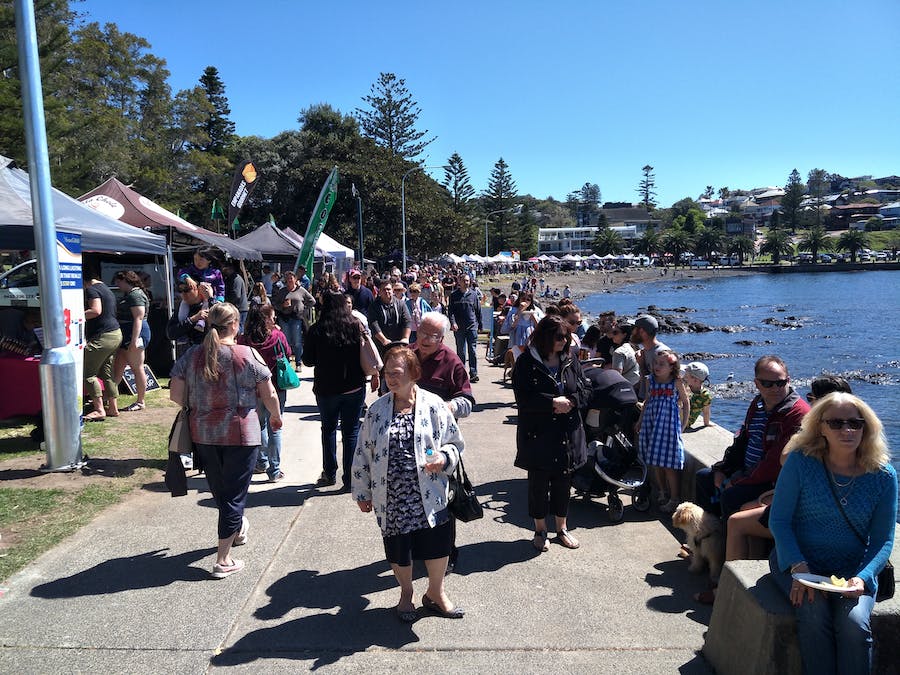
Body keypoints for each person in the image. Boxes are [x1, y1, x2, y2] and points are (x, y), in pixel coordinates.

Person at [769, 393, 897, 675]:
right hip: (798, 561)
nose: (847, 430)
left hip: (854, 568)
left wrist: (863, 578)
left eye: (855, 422)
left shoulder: (883, 476)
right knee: (813, 613)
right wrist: (798, 568)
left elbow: (883, 539)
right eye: (836, 423)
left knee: (853, 623)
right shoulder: (801, 463)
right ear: (821, 427)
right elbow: (779, 521)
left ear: (867, 427)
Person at [352, 346, 466, 622]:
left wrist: (443, 456)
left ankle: (436, 593)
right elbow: (362, 451)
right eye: (386, 372)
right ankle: (406, 594)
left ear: (414, 373)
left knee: (438, 547)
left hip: (431, 491)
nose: (390, 378)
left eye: (396, 372)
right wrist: (362, 491)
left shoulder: (434, 404)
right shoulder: (377, 410)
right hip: (391, 496)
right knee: (399, 548)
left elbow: (456, 442)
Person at [169, 303, 283, 579]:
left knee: (221, 490)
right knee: (234, 494)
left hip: (204, 433)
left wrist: (201, 402)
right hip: (241, 433)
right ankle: (223, 559)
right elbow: (269, 393)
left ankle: (236, 527)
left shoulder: (192, 355)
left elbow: (175, 394)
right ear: (234, 325)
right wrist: (276, 416)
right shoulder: (247, 354)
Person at [694, 355, 810, 520]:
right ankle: (708, 536)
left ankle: (725, 543)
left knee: (731, 497)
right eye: (767, 384)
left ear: (788, 380)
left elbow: (774, 464)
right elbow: (742, 441)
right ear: (756, 384)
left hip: (773, 481)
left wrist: (738, 481)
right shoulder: (758, 404)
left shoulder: (797, 414)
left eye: (780, 383)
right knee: (704, 478)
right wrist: (722, 469)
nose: (775, 388)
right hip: (748, 471)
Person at [512, 315, 588, 552]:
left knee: (563, 482)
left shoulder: (570, 359)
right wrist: (552, 403)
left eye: (566, 337)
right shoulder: (526, 362)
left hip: (567, 432)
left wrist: (571, 402)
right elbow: (523, 399)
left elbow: (586, 390)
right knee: (538, 483)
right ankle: (540, 529)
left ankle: (562, 528)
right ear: (545, 337)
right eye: (558, 337)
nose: (563, 341)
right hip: (539, 434)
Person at [412, 312, 475, 574]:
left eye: (432, 336)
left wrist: (446, 406)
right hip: (410, 441)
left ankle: (447, 552)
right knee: (415, 496)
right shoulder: (407, 355)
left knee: (443, 500)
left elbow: (468, 403)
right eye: (422, 333)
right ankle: (419, 548)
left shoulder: (451, 361)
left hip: (440, 444)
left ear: (442, 338)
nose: (425, 339)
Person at [302, 291, 368, 491]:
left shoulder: (316, 330)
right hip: (354, 387)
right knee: (351, 432)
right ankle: (349, 478)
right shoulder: (355, 327)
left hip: (326, 389)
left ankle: (329, 473)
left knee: (328, 430)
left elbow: (308, 360)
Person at [238, 304, 291, 482]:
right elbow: (288, 353)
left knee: (259, 425)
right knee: (275, 427)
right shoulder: (277, 336)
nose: (274, 319)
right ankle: (274, 470)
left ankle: (261, 462)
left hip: (252, 389)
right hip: (275, 386)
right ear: (265, 319)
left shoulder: (244, 340)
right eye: (272, 317)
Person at [637, 349, 690, 513]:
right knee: (655, 461)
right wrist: (640, 421)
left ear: (671, 367)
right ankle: (662, 491)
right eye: (655, 363)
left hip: (667, 426)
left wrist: (683, 425)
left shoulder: (676, 382)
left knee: (669, 464)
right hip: (652, 422)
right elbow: (647, 400)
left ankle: (674, 498)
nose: (656, 366)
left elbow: (686, 403)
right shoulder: (650, 380)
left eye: (661, 364)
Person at [82, 269, 122, 421]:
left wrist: (77, 314)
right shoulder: (105, 288)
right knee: (107, 374)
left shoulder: (92, 289)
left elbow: (96, 310)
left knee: (88, 373)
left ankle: (99, 409)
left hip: (104, 336)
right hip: (115, 334)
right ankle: (113, 408)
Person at [111, 270, 151, 412]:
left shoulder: (135, 295)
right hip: (126, 334)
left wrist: (134, 340)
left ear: (125, 280)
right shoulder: (130, 294)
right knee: (118, 367)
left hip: (134, 334)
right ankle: (110, 397)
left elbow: (138, 318)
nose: (117, 285)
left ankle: (140, 401)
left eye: (118, 282)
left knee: (137, 367)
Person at [272, 270, 316, 361]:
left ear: (295, 279)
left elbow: (312, 301)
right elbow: (275, 304)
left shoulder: (301, 290)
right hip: (285, 318)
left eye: (291, 278)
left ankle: (298, 361)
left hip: (297, 318)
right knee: (286, 341)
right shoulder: (282, 291)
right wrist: (282, 306)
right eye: (287, 279)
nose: (289, 280)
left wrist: (304, 307)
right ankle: (286, 361)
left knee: (297, 341)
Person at [448, 274, 482, 383]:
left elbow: (478, 310)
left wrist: (480, 325)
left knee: (472, 350)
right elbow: (451, 312)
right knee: (461, 351)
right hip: (459, 328)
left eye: (468, 280)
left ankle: (473, 373)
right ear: (459, 281)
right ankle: (461, 373)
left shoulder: (474, 295)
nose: (466, 282)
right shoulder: (454, 295)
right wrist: (453, 323)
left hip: (472, 326)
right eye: (464, 280)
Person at [167, 276, 212, 359]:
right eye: (180, 291)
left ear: (200, 289)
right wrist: (193, 319)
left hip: (206, 356)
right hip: (187, 358)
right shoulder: (182, 309)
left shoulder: (211, 305)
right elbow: (171, 333)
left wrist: (210, 299)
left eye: (187, 290)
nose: (183, 294)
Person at [368, 279, 411, 354]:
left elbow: (407, 321)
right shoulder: (373, 306)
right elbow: (373, 324)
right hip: (381, 345)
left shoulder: (401, 304)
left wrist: (405, 338)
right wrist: (384, 340)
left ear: (392, 290)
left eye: (388, 289)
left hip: (399, 344)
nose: (386, 291)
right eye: (383, 290)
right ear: (379, 292)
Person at [609, 320, 641, 387]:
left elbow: (616, 377)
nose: (612, 335)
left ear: (624, 335)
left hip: (625, 388)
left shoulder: (619, 352)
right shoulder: (635, 348)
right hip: (636, 386)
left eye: (615, 333)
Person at [683, 361, 713, 427]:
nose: (684, 378)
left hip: (684, 422)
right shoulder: (683, 387)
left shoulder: (705, 395)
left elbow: (706, 412)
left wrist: (706, 423)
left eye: (686, 376)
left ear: (696, 380)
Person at [222, 262, 249, 332]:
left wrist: (227, 303)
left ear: (230, 269)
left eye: (225, 269)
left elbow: (236, 295)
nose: (223, 271)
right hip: (237, 308)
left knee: (238, 327)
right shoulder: (230, 278)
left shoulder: (236, 279)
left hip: (240, 309)